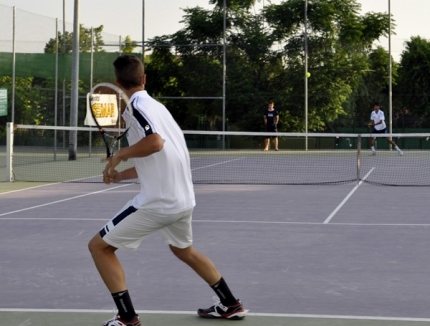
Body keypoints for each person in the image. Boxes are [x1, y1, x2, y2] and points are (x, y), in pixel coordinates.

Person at [88, 55, 245, 326]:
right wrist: (121, 175)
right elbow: (157, 157)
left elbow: (156, 143)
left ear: (117, 84)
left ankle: (127, 318)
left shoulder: (136, 108)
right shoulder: (158, 107)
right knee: (184, 250)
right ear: (144, 78)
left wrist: (120, 154)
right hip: (183, 201)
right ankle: (230, 304)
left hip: (159, 203)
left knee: (99, 247)